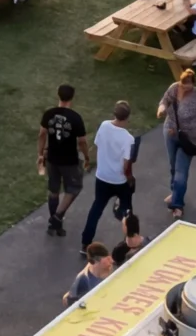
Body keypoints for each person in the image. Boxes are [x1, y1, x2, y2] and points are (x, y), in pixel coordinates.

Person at [79, 100, 137, 246]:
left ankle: (86, 242)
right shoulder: (128, 138)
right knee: (127, 210)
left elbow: (97, 146)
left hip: (102, 177)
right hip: (119, 180)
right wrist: (130, 178)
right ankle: (130, 240)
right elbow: (126, 165)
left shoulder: (104, 126)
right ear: (128, 117)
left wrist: (89, 161)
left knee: (96, 208)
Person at [39, 84, 89, 237]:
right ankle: (57, 217)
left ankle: (54, 222)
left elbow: (42, 134)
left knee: (54, 190)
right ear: (72, 98)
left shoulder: (49, 114)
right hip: (69, 160)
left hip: (52, 158)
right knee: (74, 188)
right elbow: (82, 141)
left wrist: (40, 154)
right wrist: (87, 157)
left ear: (58, 95)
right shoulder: (75, 118)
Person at [158, 75, 196, 216]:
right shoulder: (174, 88)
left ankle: (178, 205)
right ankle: (175, 193)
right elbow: (165, 100)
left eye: (188, 87)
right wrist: (162, 109)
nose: (184, 89)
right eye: (183, 86)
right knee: (173, 167)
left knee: (180, 172)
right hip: (170, 133)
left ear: (194, 84)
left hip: (189, 138)